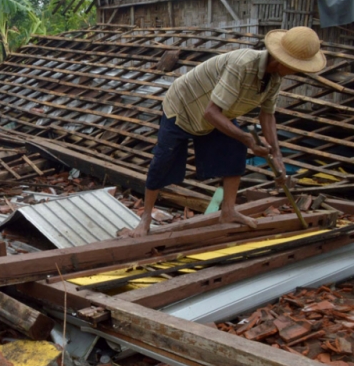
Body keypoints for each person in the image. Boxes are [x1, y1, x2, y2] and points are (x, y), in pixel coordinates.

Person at [123, 26, 326, 238]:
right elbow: (210, 112)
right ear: (283, 61)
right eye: (297, 67)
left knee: (235, 149)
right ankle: (145, 219)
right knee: (164, 159)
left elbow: (267, 115)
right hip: (184, 106)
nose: (297, 72)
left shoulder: (275, 77)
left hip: (219, 111)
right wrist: (248, 138)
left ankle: (228, 211)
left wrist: (277, 155)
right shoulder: (243, 65)